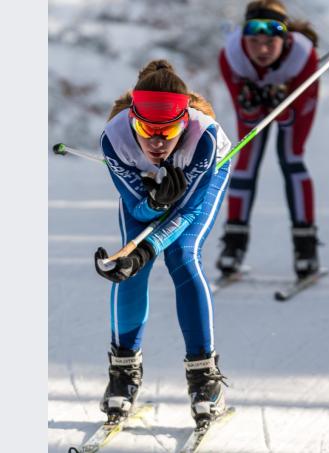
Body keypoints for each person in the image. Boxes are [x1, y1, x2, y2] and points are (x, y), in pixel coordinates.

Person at [93, 60, 232, 425]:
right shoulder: (115, 139)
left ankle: (204, 376)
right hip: (147, 190)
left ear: (184, 122)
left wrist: (148, 246)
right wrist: (153, 201)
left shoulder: (204, 140)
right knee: (130, 272)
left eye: (168, 130)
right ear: (132, 119)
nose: (156, 142)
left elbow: (186, 213)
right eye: (145, 128)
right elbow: (137, 207)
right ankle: (123, 372)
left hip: (201, 184)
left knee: (182, 256)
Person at [217, 0, 322, 279]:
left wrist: (283, 104)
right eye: (254, 42)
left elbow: (293, 118)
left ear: (284, 39)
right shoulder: (231, 56)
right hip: (257, 104)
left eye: (270, 43)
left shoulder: (303, 56)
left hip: (295, 101)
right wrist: (251, 103)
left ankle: (306, 247)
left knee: (292, 157)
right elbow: (247, 117)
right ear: (243, 38)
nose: (262, 50)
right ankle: (234, 245)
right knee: (246, 160)